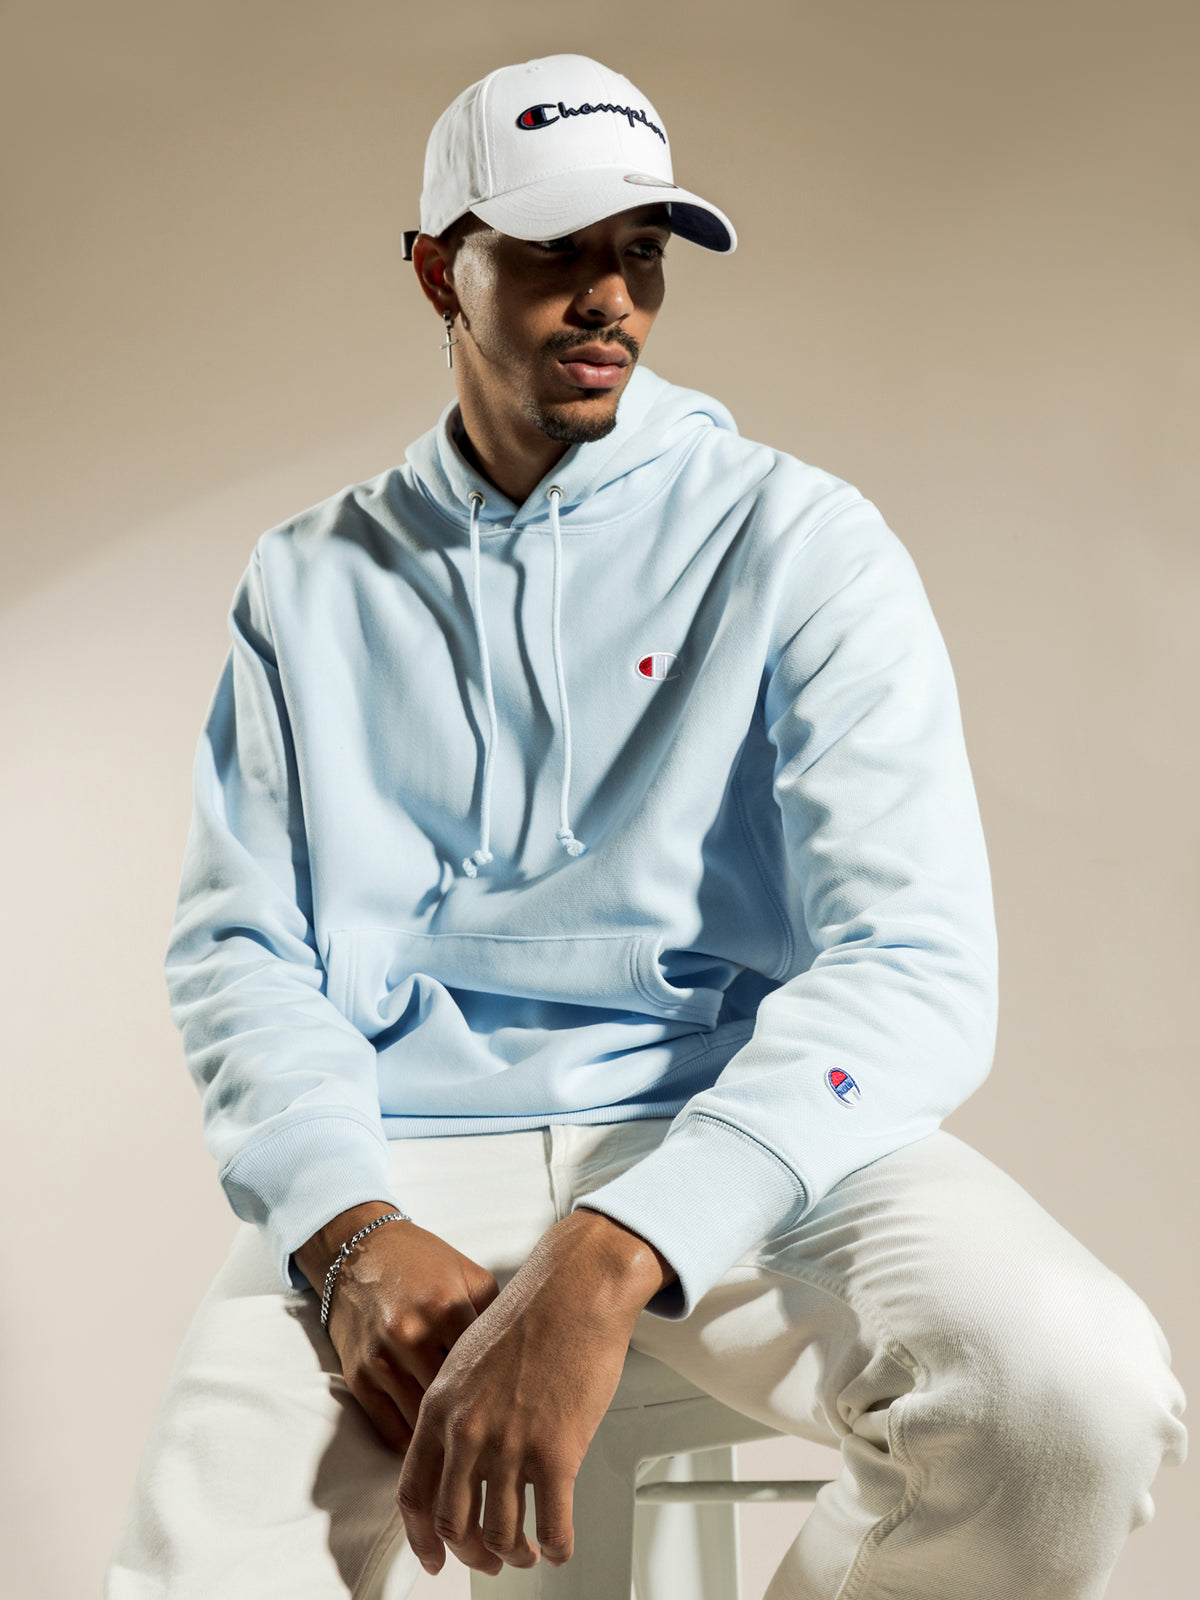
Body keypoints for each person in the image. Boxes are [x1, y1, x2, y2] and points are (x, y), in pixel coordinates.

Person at [106, 52, 1186, 1599]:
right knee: (192, 1566)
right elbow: (241, 953)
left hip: (740, 1139)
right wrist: (343, 1228)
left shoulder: (800, 540)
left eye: (642, 253)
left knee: (1068, 1397)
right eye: (557, 251)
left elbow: (916, 960)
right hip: (405, 1165)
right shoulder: (308, 580)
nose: (609, 296)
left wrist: (617, 1250)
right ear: (439, 271)